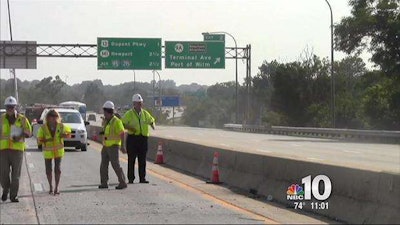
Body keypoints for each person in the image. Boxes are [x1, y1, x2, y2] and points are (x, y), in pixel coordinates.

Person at [0, 96, 32, 202]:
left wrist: (20, 134)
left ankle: (13, 195)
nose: (10, 109)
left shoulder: (22, 119)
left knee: (15, 175)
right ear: (5, 107)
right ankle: (6, 189)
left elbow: (29, 133)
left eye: (12, 107)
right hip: (3, 150)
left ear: (15, 107)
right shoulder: (1, 119)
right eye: (8, 107)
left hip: (17, 150)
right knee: (3, 173)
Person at [122, 94, 155, 184]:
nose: (140, 105)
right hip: (133, 139)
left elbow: (151, 119)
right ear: (134, 103)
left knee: (142, 159)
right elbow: (123, 123)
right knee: (131, 159)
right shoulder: (129, 114)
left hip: (143, 139)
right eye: (138, 103)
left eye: (141, 103)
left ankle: (142, 178)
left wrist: (152, 124)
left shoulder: (145, 113)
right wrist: (130, 128)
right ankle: (131, 178)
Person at [36, 109, 71, 195]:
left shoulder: (61, 126)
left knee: (57, 169)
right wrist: (47, 139)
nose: (53, 118)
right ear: (48, 118)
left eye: (55, 116)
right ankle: (51, 186)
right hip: (48, 152)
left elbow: (69, 134)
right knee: (48, 170)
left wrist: (65, 135)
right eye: (51, 116)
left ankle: (57, 187)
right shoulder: (43, 128)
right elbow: (39, 140)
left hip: (58, 151)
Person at [99, 101, 127, 189]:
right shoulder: (106, 121)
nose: (104, 114)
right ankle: (104, 183)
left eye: (105, 112)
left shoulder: (116, 121)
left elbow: (122, 133)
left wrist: (122, 146)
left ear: (109, 111)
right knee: (103, 165)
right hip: (106, 146)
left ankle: (122, 182)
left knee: (115, 164)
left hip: (113, 146)